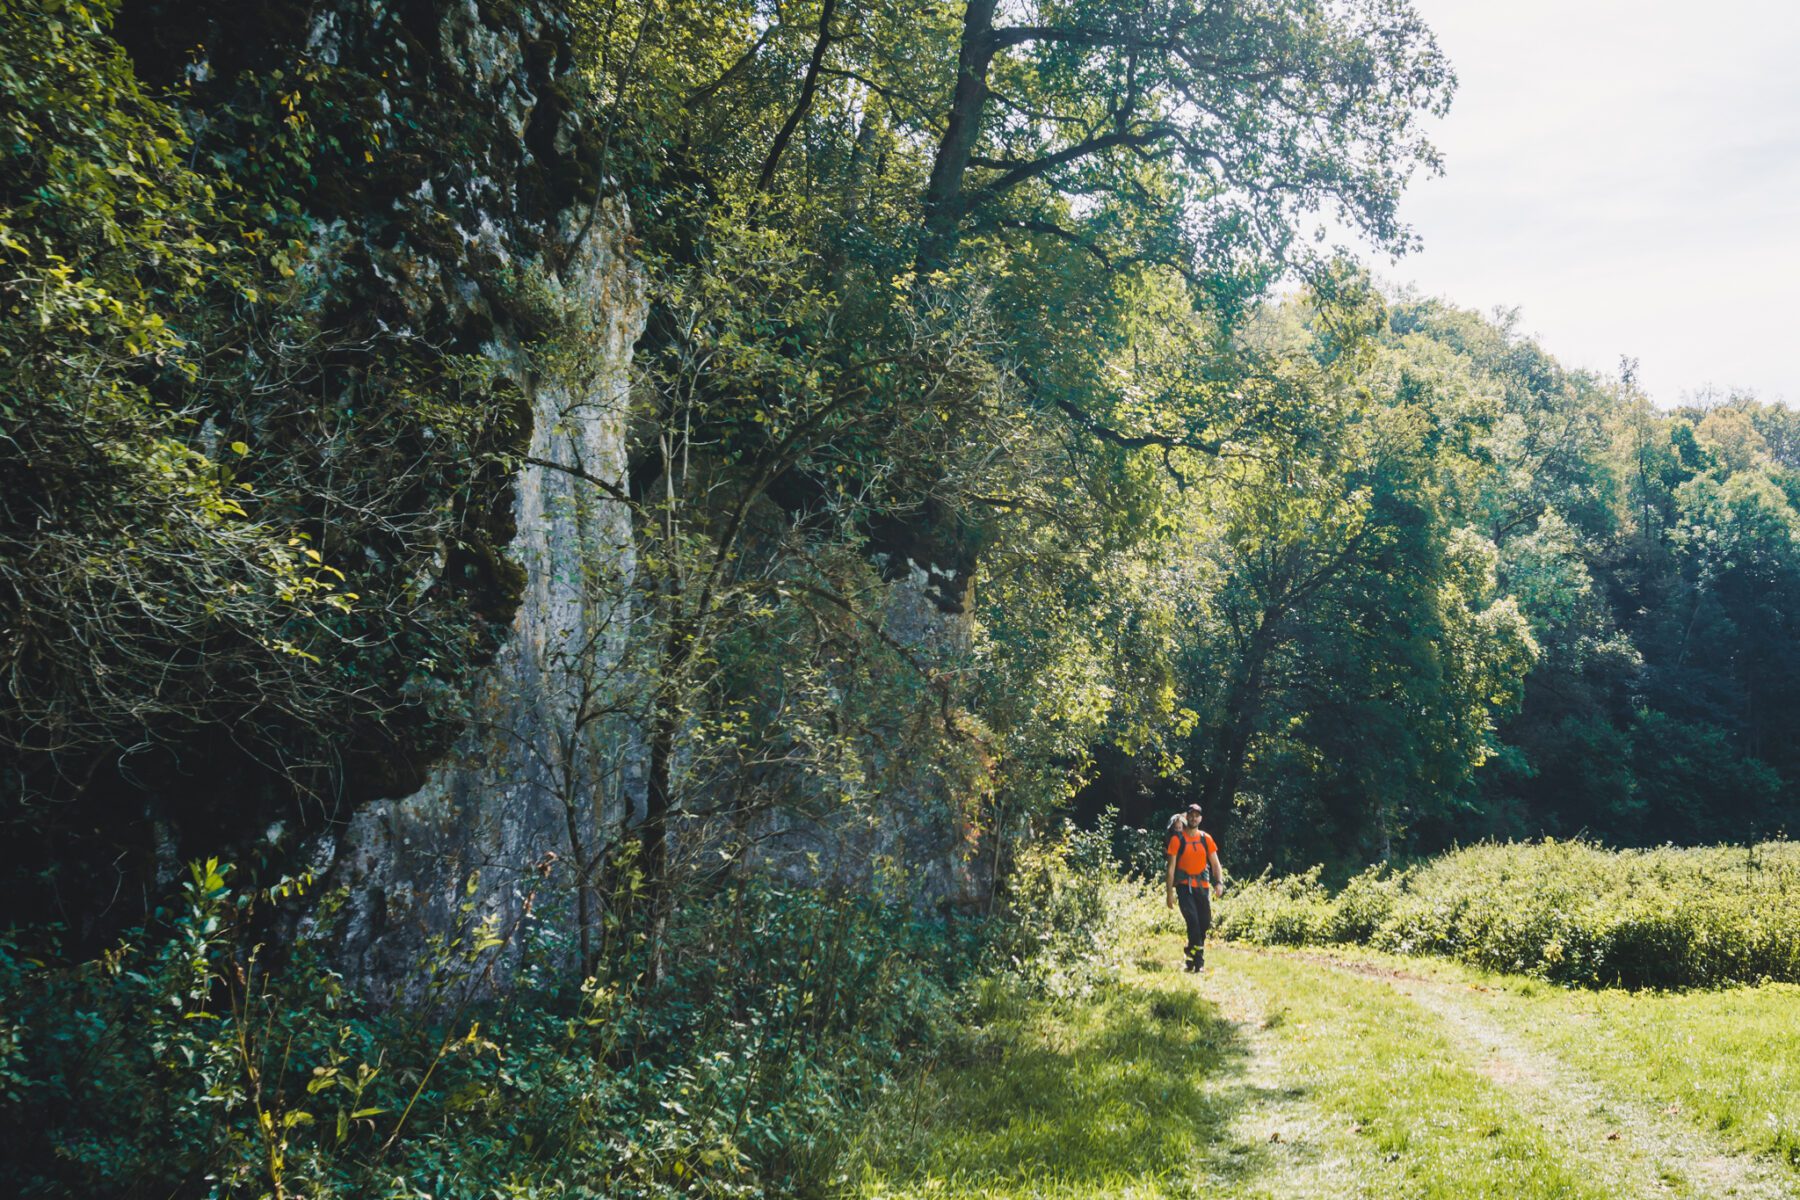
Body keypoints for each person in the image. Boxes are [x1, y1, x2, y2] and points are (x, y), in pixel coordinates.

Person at [1165, 803, 1225, 972]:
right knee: (1193, 922)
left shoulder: (1206, 838)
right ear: (1187, 817)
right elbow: (1170, 869)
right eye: (1190, 814)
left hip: (1202, 887)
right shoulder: (1177, 840)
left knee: (1204, 923)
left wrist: (1219, 882)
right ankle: (1199, 963)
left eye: (1197, 815)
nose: (1193, 818)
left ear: (1201, 818)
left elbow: (1215, 863)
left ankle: (1190, 956)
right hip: (1184, 888)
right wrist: (1169, 893)